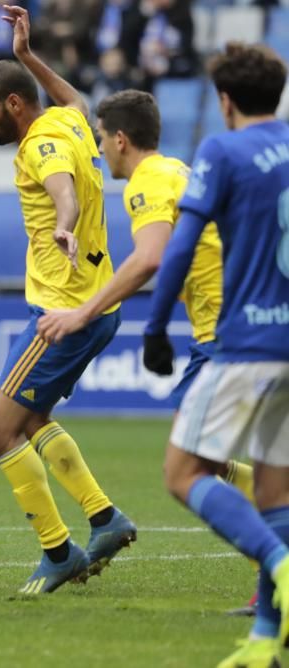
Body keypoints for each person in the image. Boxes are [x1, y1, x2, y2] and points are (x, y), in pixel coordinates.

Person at [34, 89, 257, 599]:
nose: (97, 151)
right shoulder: (177, 169)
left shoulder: (148, 184)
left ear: (120, 139)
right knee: (212, 460)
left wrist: (81, 312)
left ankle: (274, 561)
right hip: (238, 324)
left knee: (186, 467)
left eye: (99, 141)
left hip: (224, 333)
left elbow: (150, 257)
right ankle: (271, 573)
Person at [0, 5, 136, 594]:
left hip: (63, 314)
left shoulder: (42, 147)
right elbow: (76, 101)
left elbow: (61, 191)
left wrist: (64, 224)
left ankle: (58, 550)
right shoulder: (66, 121)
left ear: (14, 106)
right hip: (96, 302)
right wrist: (26, 57)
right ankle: (104, 518)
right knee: (32, 418)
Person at [141, 43, 289, 667]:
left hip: (248, 343)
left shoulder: (222, 150)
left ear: (224, 101)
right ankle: (264, 640)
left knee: (183, 473)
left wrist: (155, 327)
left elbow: (178, 247)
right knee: (277, 495)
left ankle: (282, 564)